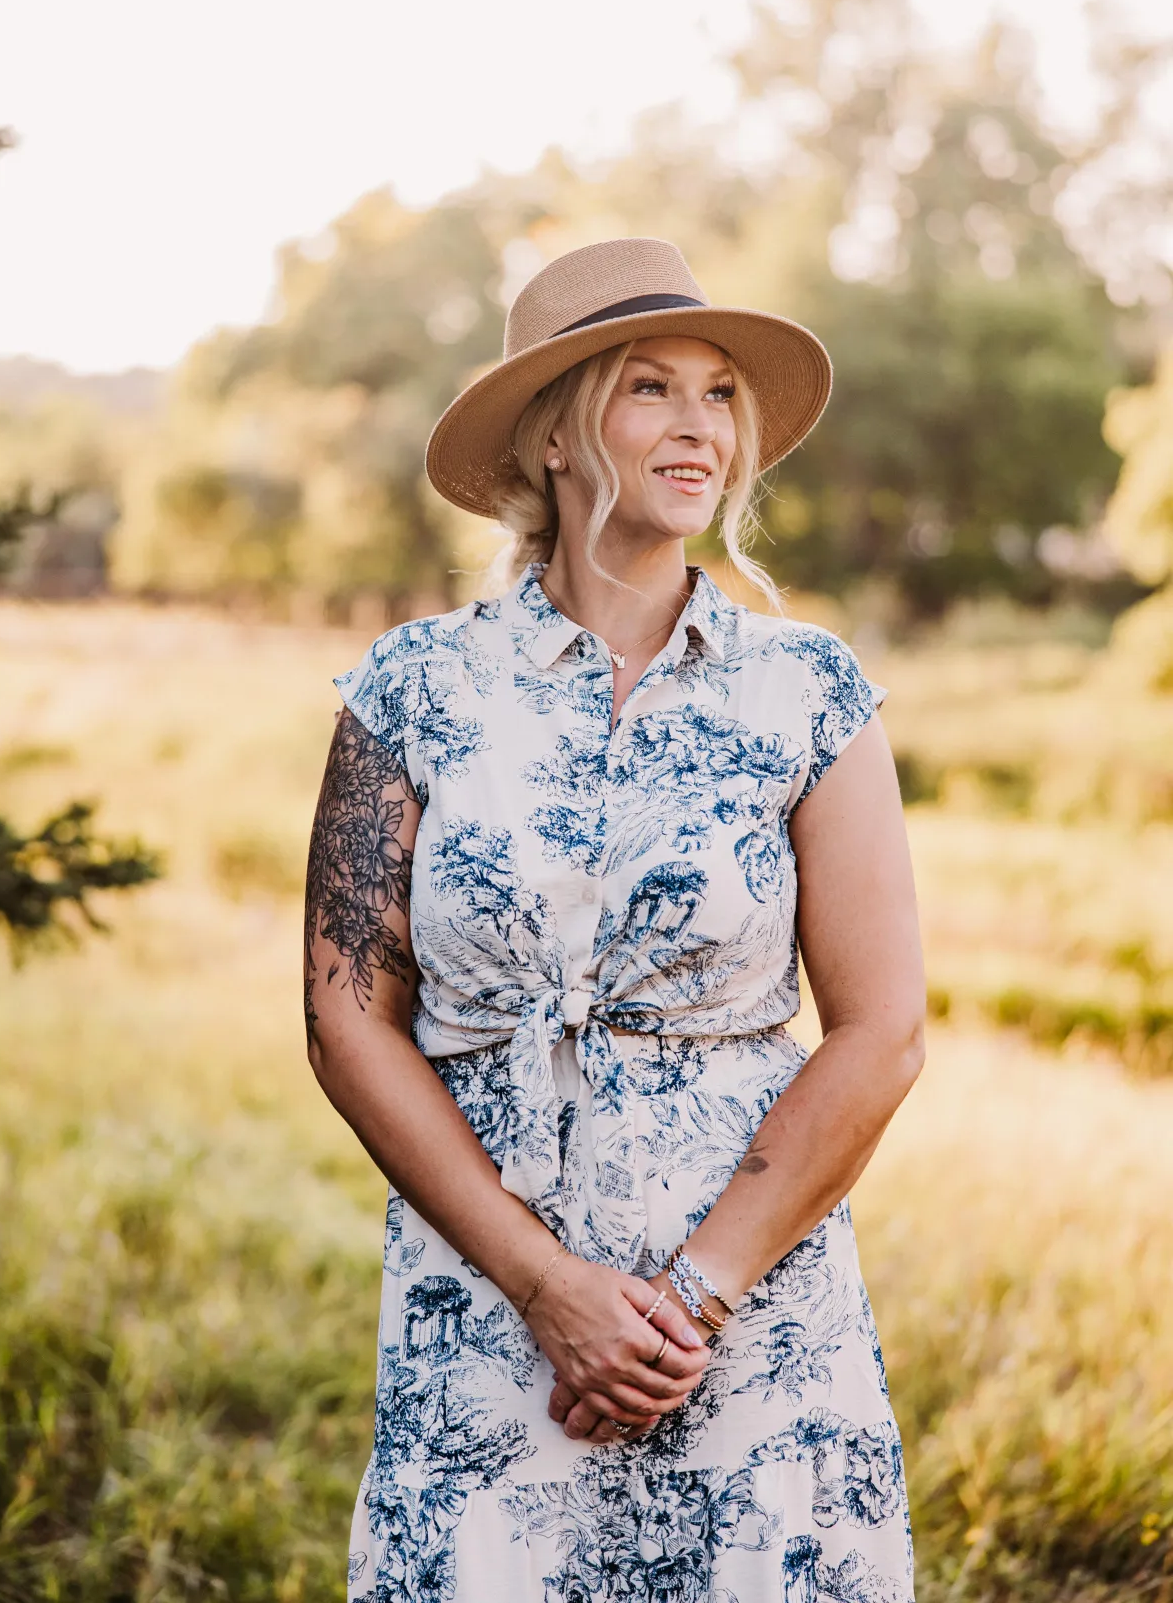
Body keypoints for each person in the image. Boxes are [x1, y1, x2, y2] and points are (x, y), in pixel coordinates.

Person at [304, 237, 926, 1603]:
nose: (700, 424)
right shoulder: (412, 691)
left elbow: (882, 1033)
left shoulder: (809, 694)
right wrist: (547, 1288)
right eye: (651, 389)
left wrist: (692, 1300)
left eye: (719, 394)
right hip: (491, 1322)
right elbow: (349, 1019)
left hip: (751, 1324)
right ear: (556, 437)